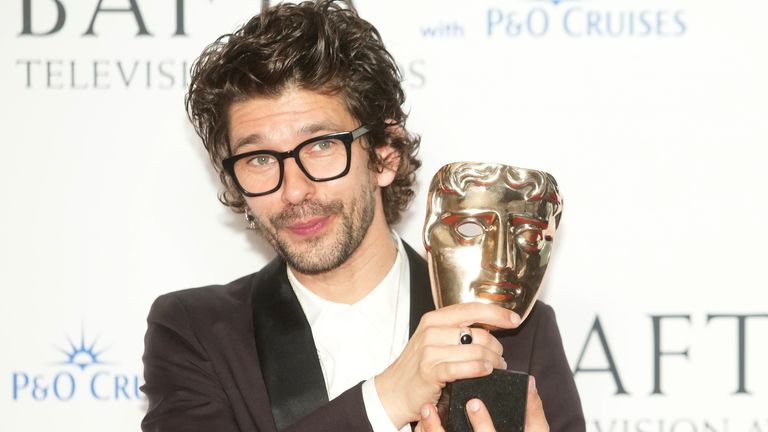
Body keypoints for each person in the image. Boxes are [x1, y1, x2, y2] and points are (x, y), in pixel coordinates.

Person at [140, 1, 585, 431]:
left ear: (385, 156)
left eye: (321, 146)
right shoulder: (194, 331)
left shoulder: (514, 329)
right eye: (258, 159)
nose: (293, 190)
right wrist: (387, 398)